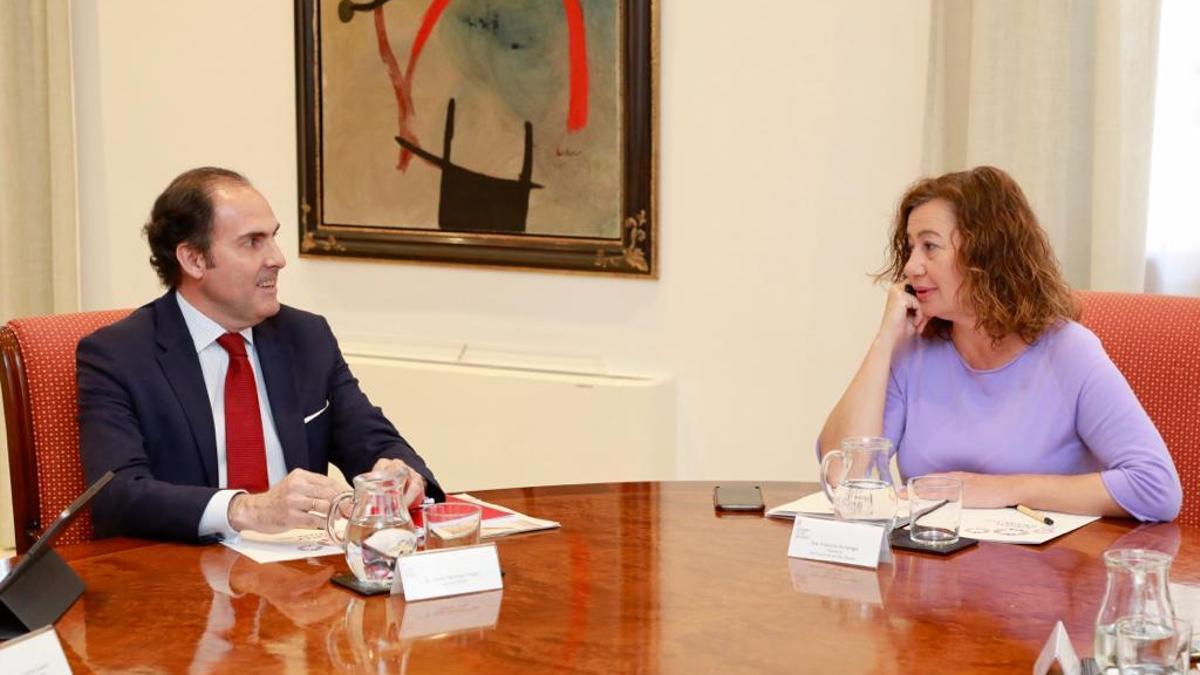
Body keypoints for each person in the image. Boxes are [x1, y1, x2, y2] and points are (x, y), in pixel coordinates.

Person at [78, 167, 443, 542]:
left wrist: (403, 476)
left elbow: (374, 441)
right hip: (186, 575)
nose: (278, 259)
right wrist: (246, 510)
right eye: (252, 242)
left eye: (273, 237)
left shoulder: (306, 337)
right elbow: (116, 496)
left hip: (302, 578)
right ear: (194, 260)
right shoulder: (118, 356)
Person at [818, 166, 1181, 522]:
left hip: (1042, 572)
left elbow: (1156, 488)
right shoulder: (913, 351)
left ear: (986, 254)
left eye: (930, 246)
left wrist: (1006, 489)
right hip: (931, 567)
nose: (912, 266)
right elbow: (844, 477)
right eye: (910, 248)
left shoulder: (1070, 351)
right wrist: (884, 342)